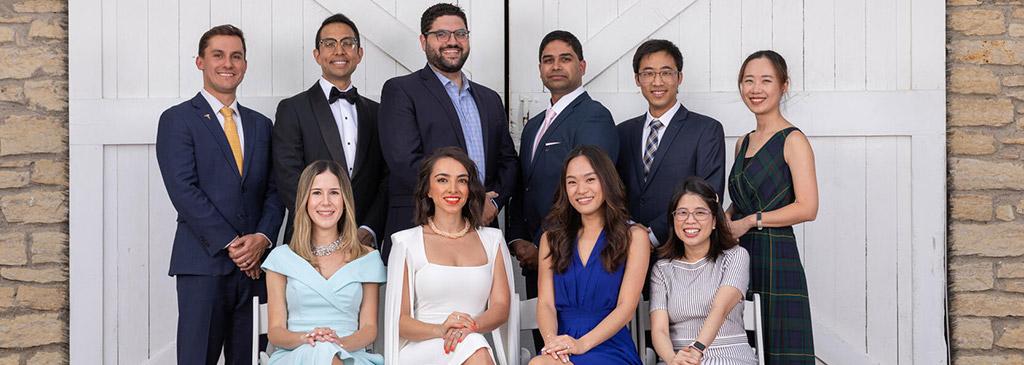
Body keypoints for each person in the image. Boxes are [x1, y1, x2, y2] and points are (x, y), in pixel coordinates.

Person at [155, 24, 284, 365]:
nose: (228, 63)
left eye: (236, 56)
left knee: (251, 359)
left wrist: (262, 238)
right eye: (218, 55)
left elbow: (275, 191)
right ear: (200, 62)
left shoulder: (261, 125)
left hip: (256, 269)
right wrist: (234, 245)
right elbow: (183, 190)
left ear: (245, 64)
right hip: (203, 266)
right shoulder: (177, 120)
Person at [378, 3, 518, 263]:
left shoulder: (489, 99)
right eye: (441, 34)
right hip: (421, 226)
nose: (452, 41)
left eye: (460, 34)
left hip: (482, 229)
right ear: (423, 41)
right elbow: (404, 161)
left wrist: (493, 204)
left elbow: (508, 162)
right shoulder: (401, 91)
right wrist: (465, 202)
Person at [507, 30, 619, 311]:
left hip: (573, 254)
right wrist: (518, 238)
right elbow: (525, 185)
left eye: (565, 59)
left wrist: (542, 245)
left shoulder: (594, 116)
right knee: (544, 334)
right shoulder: (534, 126)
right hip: (534, 260)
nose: (555, 66)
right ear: (540, 69)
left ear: (582, 66)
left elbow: (590, 193)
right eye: (548, 60)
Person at [384, 147, 516, 365]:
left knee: (475, 345)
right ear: (428, 189)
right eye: (442, 180)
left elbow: (501, 307)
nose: (453, 189)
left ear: (470, 189)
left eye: (461, 181)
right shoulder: (406, 243)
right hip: (424, 345)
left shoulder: (492, 240)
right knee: (476, 349)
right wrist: (442, 329)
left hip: (472, 338)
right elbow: (400, 321)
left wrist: (470, 327)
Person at [727, 50, 818, 363]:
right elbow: (742, 199)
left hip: (777, 255)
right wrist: (725, 219)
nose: (756, 89)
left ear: (783, 85)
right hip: (739, 254)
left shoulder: (793, 140)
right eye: (748, 80)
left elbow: (807, 207)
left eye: (766, 80)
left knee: (780, 346)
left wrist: (749, 221)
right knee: (744, 344)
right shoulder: (743, 142)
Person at [273, 13, 388, 249]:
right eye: (329, 44)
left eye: (348, 43)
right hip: (308, 242)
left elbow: (386, 179)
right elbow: (288, 178)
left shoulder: (378, 113)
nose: (339, 51)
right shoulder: (292, 109)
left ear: (359, 53)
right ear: (317, 54)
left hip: (362, 244)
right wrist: (325, 231)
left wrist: (369, 229)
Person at [529, 146, 649, 365]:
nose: (581, 190)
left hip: (609, 346)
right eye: (572, 182)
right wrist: (552, 343)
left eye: (590, 179)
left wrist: (581, 344)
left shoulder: (634, 237)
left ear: (607, 181)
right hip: (561, 345)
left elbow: (626, 308)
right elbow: (545, 304)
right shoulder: (551, 239)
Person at [261, 161, 386, 365]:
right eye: (317, 193)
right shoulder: (281, 259)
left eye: (334, 193)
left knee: (326, 351)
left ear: (345, 200)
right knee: (321, 351)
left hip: (351, 353)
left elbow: (369, 329)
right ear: (305, 200)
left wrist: (337, 344)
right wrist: (309, 338)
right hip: (296, 354)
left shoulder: (367, 258)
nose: (326, 202)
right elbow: (276, 331)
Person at [616, 39, 726, 247]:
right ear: (637, 79)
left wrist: (651, 236)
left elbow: (708, 195)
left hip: (681, 249)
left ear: (679, 77)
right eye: (648, 73)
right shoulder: (622, 132)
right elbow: (613, 190)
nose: (657, 82)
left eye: (666, 73)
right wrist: (631, 233)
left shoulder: (706, 130)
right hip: (627, 248)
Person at [649, 177, 756, 365]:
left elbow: (719, 309)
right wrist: (673, 359)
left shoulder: (735, 257)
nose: (690, 220)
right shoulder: (662, 269)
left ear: (714, 221)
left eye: (700, 213)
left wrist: (697, 350)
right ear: (673, 220)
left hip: (729, 356)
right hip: (678, 359)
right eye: (682, 213)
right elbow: (660, 330)